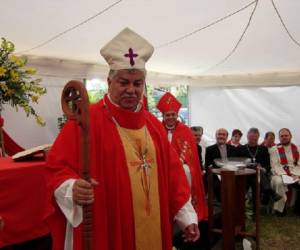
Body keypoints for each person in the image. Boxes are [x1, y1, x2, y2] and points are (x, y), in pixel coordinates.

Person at [45, 28, 199, 250]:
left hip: (153, 227)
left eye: (137, 84)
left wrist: (186, 217)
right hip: (107, 225)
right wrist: (71, 187)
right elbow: (56, 168)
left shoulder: (153, 125)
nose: (131, 90)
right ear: (109, 81)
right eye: (124, 82)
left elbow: (173, 173)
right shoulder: (85, 121)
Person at [157, 93, 208, 250]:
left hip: (181, 166)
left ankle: (184, 207)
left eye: (173, 114)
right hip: (161, 167)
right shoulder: (157, 129)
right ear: (163, 115)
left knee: (185, 170)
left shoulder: (185, 130)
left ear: (177, 114)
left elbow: (188, 152)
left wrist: (176, 164)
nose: (170, 117)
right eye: (167, 115)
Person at [238, 128, 281, 216]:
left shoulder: (263, 149)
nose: (253, 140)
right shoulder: (241, 148)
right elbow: (237, 163)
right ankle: (270, 191)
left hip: (258, 176)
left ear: (258, 138)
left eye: (255, 138)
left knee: (256, 179)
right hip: (244, 175)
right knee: (254, 168)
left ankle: (255, 213)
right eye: (251, 137)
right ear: (247, 137)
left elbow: (268, 165)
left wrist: (263, 168)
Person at [269, 128, 300, 215]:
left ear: (290, 136)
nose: (284, 137)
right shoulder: (274, 149)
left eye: (286, 135)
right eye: (282, 136)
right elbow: (275, 166)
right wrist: (285, 175)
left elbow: (299, 164)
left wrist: (296, 175)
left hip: (295, 174)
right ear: (279, 138)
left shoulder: (297, 148)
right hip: (279, 174)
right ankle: (280, 210)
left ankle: (297, 209)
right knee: (278, 182)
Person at [205, 128, 238, 200]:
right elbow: (208, 166)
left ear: (227, 137)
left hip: (231, 173)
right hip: (216, 175)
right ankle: (223, 206)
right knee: (219, 187)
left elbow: (236, 163)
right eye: (219, 134)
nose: (221, 136)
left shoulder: (233, 148)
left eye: (223, 135)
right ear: (216, 136)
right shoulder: (209, 149)